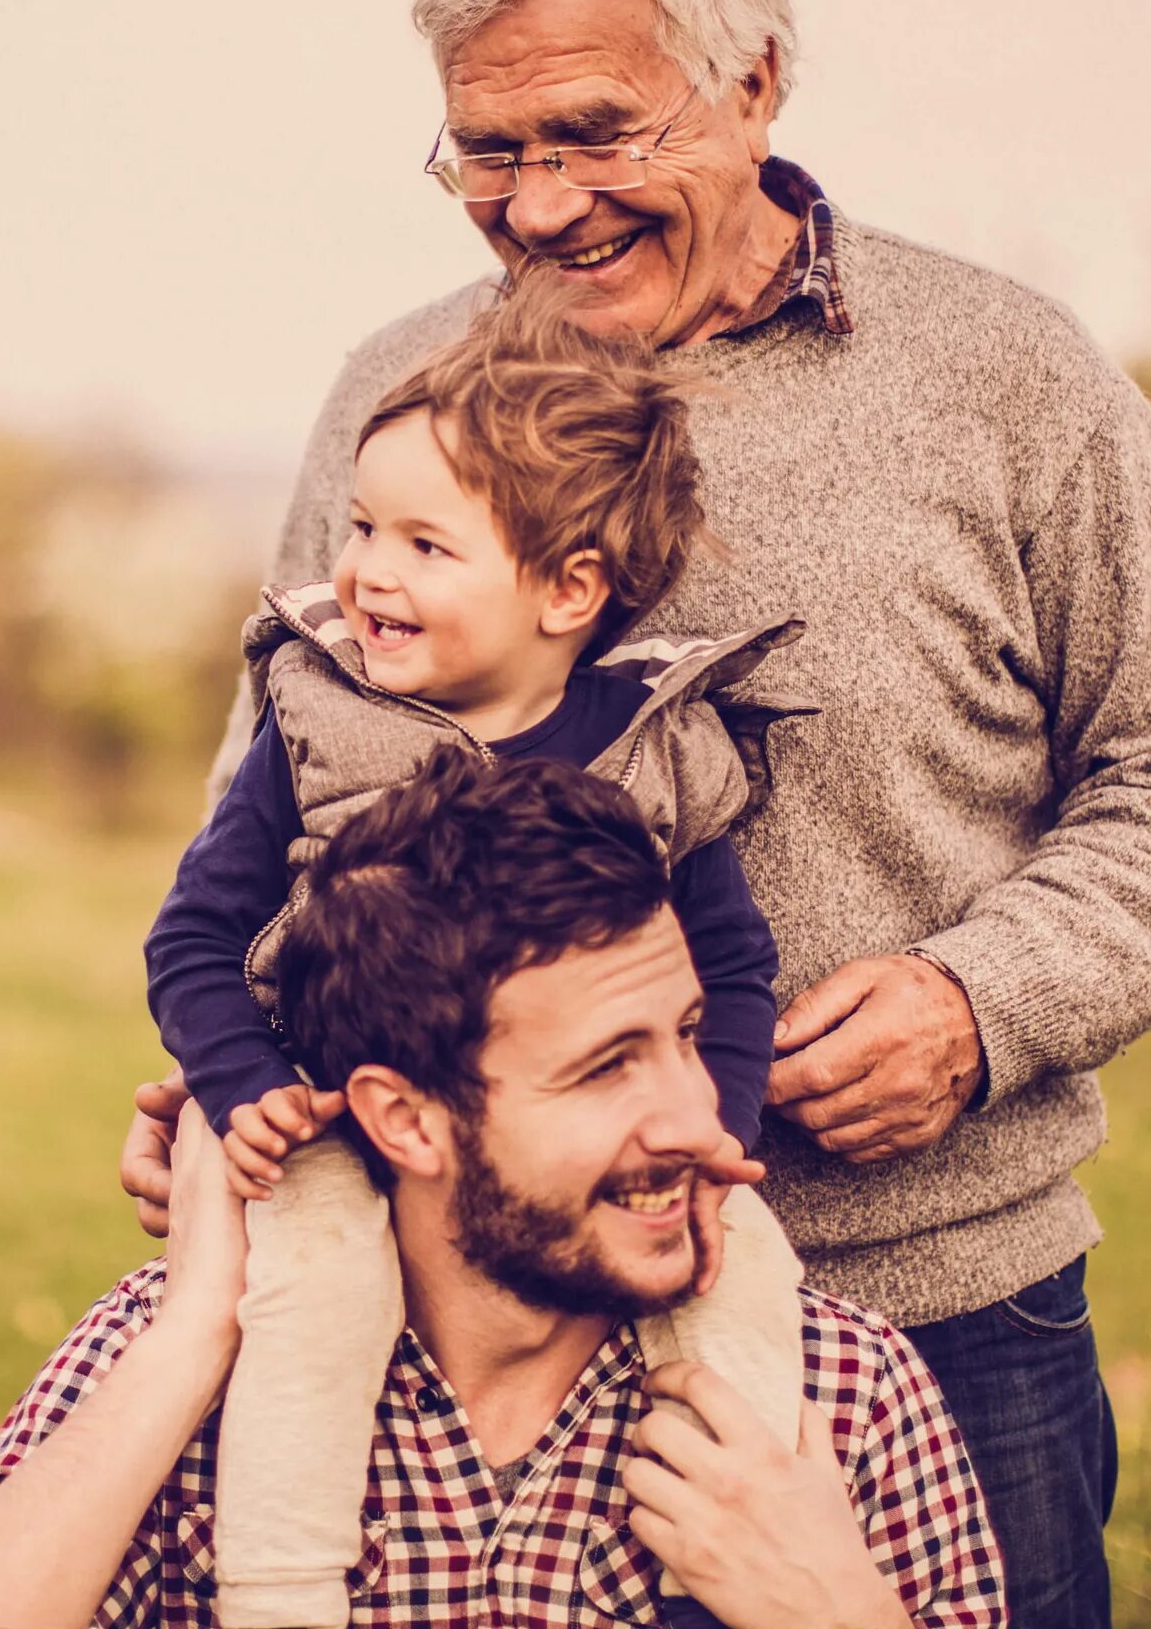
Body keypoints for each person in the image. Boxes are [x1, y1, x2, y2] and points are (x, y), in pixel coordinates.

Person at [122, 0, 1151, 1627]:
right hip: (461, 1341)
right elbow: (284, 813)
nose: (537, 204)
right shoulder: (397, 394)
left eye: (595, 132)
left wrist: (981, 1009)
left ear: (755, 82)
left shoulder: (1004, 379)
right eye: (486, 149)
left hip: (928, 1307)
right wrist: (242, 1072)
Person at [0, 754, 1005, 1629]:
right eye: (606, 1066)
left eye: (688, 1035)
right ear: (405, 1116)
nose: (703, 1122)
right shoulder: (187, 1361)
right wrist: (196, 1324)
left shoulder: (841, 1398)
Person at [143, 304, 804, 1627]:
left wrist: (709, 1133)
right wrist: (241, 1083)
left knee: (752, 1284)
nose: (367, 573)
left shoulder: (654, 744)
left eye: (425, 545)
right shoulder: (318, 719)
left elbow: (732, 967)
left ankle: (725, 1571)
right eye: (363, 527)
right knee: (316, 1293)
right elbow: (193, 935)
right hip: (334, 1122)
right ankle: (280, 1594)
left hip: (579, 1156)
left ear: (569, 588)